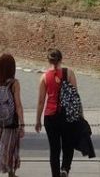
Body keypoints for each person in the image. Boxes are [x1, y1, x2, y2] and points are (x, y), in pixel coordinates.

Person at [35, 49, 77, 177]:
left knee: (54, 149)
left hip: (50, 116)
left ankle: (55, 175)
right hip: (66, 115)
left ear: (49, 60)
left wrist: (38, 120)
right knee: (68, 145)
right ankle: (65, 168)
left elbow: (41, 101)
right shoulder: (68, 73)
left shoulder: (44, 77)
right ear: (61, 59)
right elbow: (74, 97)